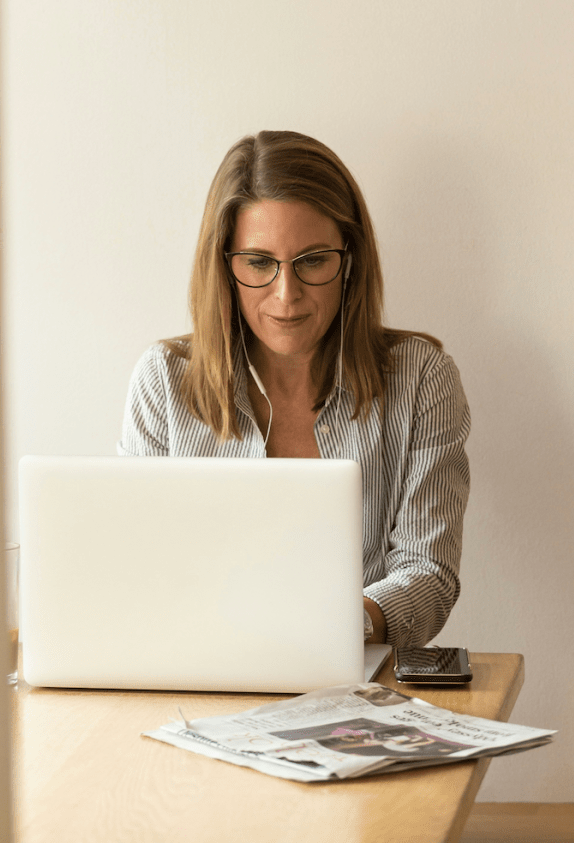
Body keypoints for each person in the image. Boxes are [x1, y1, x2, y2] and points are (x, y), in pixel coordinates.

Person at [117, 130, 470, 648]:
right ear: (225, 266)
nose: (287, 296)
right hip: (198, 674)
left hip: (357, 681)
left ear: (349, 259)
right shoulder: (164, 381)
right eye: (259, 263)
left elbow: (429, 574)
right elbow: (136, 570)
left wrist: (339, 625)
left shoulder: (421, 378)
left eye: (312, 261)